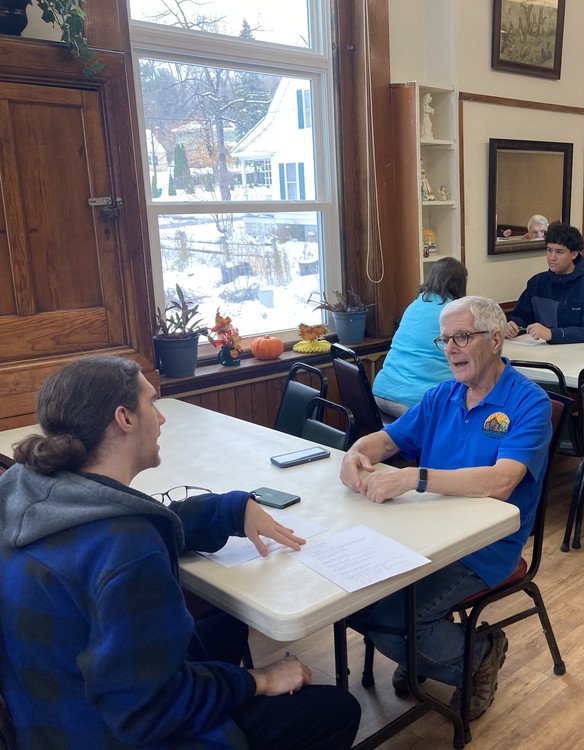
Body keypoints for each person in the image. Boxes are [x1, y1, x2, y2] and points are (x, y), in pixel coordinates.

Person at [0, 356, 360, 750]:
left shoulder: (26, 490)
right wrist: (261, 679)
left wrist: (229, 510)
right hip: (112, 732)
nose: (162, 418)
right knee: (337, 710)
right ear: (125, 418)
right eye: (152, 404)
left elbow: (131, 518)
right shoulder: (127, 547)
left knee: (228, 622)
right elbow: (149, 710)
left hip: (44, 716)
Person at [340, 296, 551, 720]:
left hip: (485, 546)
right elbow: (387, 440)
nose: (451, 348)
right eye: (445, 339)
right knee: (355, 604)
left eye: (461, 337)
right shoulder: (443, 395)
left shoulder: (530, 403)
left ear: (495, 340)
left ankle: (478, 654)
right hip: (425, 533)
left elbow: (501, 481)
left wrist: (415, 477)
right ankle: (424, 653)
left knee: (392, 622)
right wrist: (355, 452)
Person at [372, 256, 468, 417]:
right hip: (414, 401)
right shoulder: (452, 313)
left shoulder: (415, 305)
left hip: (381, 392)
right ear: (459, 284)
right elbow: (473, 354)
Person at [504, 222, 584, 343]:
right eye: (549, 250)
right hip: (541, 353)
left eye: (559, 252)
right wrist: (512, 325)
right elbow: (521, 316)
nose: (552, 257)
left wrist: (552, 334)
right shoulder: (537, 282)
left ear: (574, 254)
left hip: (581, 355)